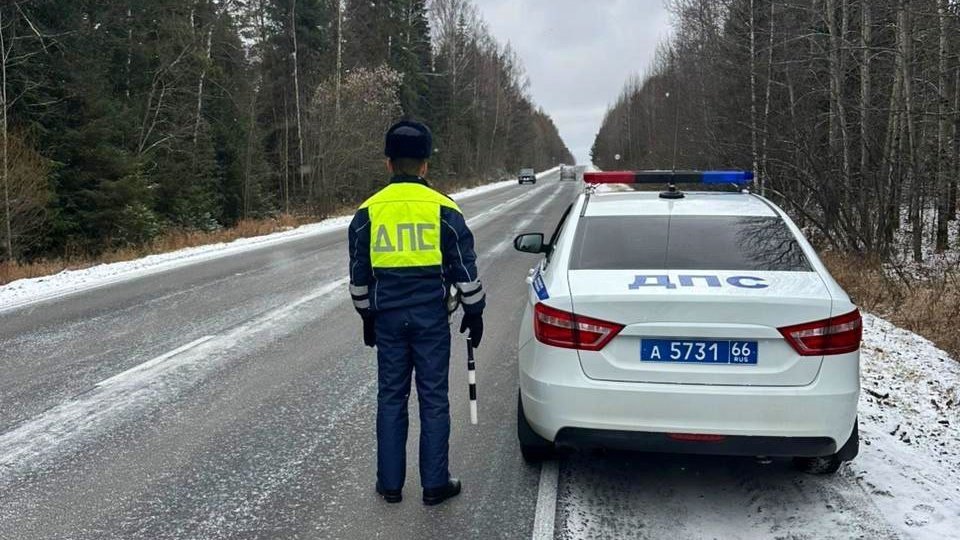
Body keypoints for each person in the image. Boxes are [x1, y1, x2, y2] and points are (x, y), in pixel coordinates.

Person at [348, 120, 486, 506]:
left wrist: (367, 316)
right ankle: (434, 484)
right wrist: (475, 312)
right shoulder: (444, 208)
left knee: (391, 398)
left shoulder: (367, 212)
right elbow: (464, 266)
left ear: (389, 163)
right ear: (425, 164)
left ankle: (390, 485)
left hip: (389, 319)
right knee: (433, 399)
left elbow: (359, 277)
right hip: (431, 320)